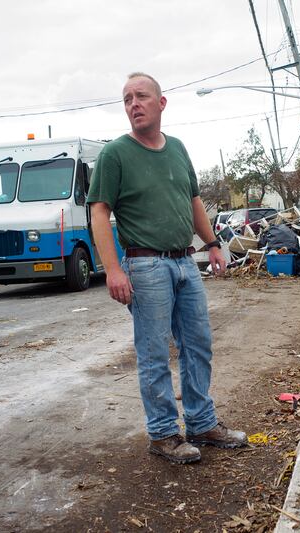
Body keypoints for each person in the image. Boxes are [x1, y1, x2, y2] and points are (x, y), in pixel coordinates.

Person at [87, 72, 247, 464]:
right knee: (154, 352)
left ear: (161, 103)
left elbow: (193, 200)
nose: (133, 104)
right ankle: (162, 434)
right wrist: (113, 270)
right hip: (145, 266)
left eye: (141, 96)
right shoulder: (115, 154)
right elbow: (99, 211)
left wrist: (212, 244)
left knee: (198, 345)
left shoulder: (176, 148)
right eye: (127, 99)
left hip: (185, 262)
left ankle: (201, 423)